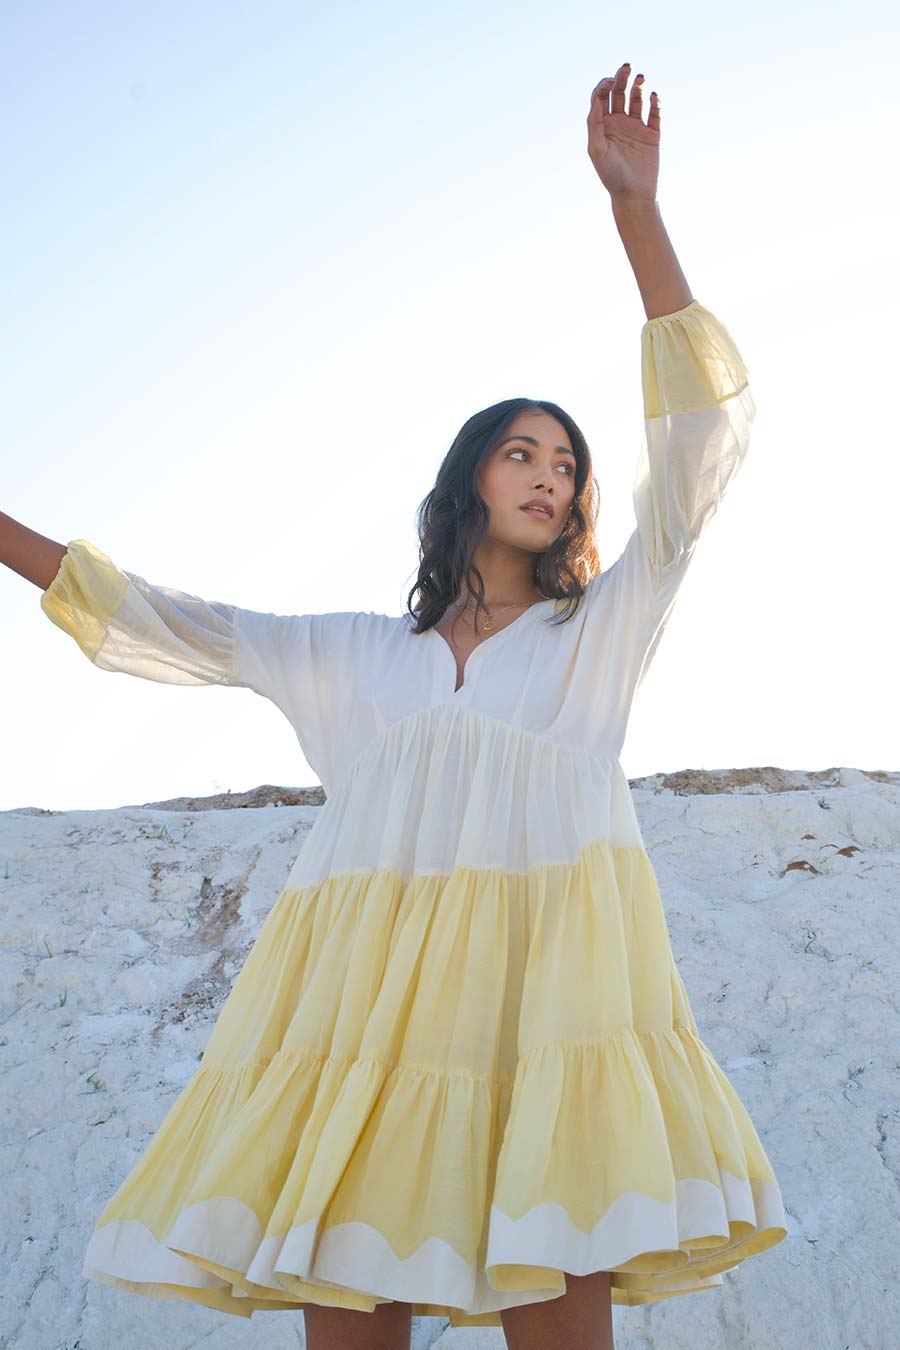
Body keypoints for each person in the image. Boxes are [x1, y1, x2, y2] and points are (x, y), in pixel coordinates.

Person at [3, 61, 787, 1350]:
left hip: (552, 1006)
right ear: (468, 477)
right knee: (351, 1312)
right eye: (521, 450)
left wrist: (636, 214)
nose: (548, 475)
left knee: (561, 1297)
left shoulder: (604, 627)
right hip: (368, 1020)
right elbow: (157, 618)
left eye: (567, 463)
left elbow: (701, 446)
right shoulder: (352, 656)